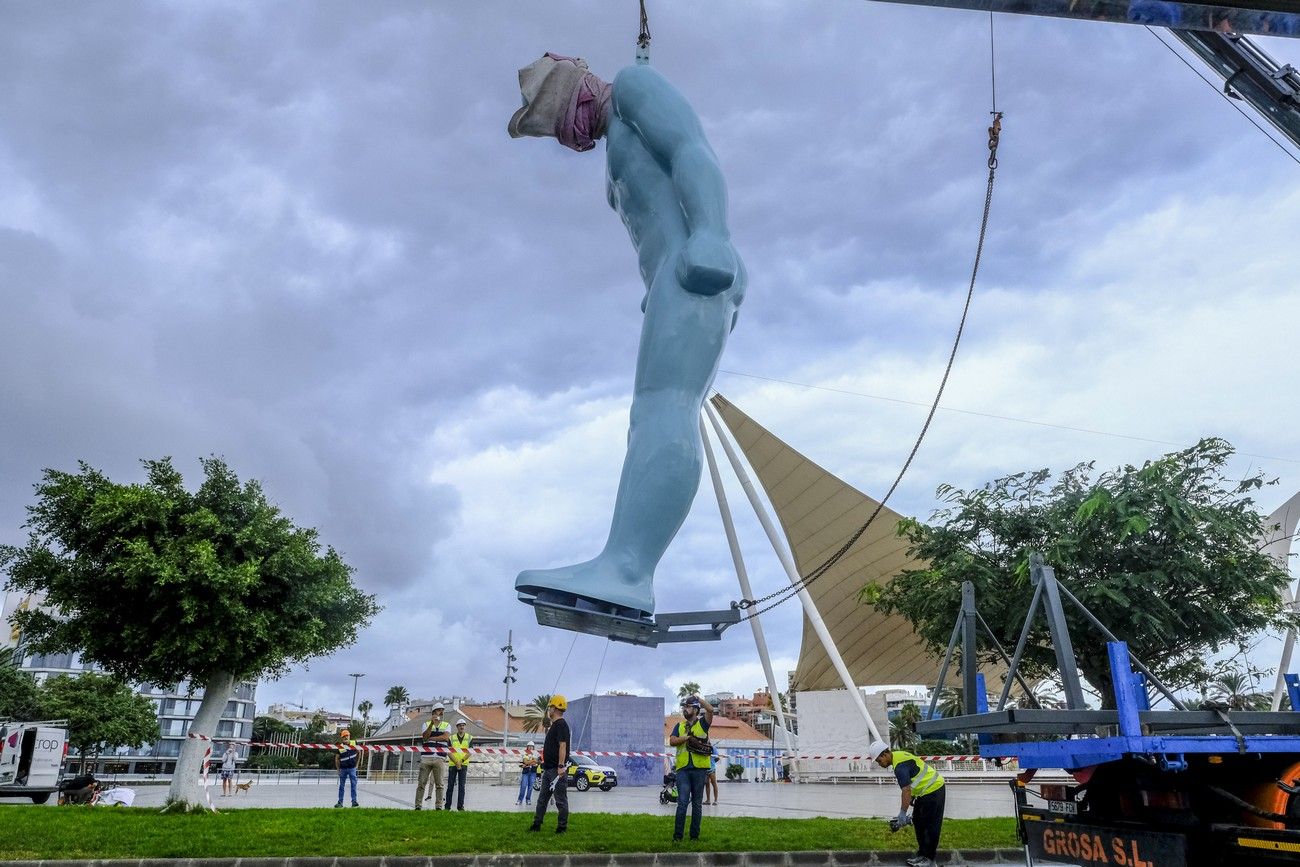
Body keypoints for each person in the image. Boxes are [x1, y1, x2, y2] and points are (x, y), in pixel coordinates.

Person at [511, 54, 747, 622]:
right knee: (651, 413)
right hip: (672, 278)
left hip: (695, 267)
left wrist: (712, 234)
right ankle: (621, 562)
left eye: (554, 117)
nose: (563, 136)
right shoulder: (616, 131)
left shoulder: (637, 86)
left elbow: (693, 150)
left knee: (667, 407)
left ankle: (628, 570)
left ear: (576, 92)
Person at [871, 739, 947, 867]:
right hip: (924, 791)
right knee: (918, 822)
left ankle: (929, 859)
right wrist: (912, 797)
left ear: (885, 754)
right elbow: (915, 776)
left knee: (930, 825)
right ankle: (922, 855)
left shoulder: (900, 766)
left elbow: (906, 789)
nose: (879, 764)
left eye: (879, 760)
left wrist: (902, 813)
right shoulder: (898, 756)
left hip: (934, 789)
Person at [667, 694, 714, 841]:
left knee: (697, 804)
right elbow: (672, 741)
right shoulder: (679, 726)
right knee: (682, 803)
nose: (684, 709)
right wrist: (686, 738)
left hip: (699, 770)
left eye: (687, 707)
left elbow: (711, 709)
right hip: (683, 770)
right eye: (683, 707)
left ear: (695, 709)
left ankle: (694, 837)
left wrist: (697, 699)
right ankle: (677, 837)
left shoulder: (703, 724)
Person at [528, 694, 570, 834]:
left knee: (560, 801)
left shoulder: (561, 725)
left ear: (555, 708)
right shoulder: (554, 726)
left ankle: (562, 828)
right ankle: (536, 824)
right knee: (542, 799)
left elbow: (562, 746)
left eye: (550, 707)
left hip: (556, 771)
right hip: (548, 769)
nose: (549, 710)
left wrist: (560, 766)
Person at [414, 704, 451, 809]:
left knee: (440, 784)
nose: (441, 712)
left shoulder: (447, 725)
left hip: (440, 758)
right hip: (426, 757)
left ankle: (439, 806)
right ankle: (418, 805)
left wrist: (430, 738)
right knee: (422, 783)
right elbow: (425, 737)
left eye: (442, 710)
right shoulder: (426, 724)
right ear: (433, 712)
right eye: (439, 710)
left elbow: (445, 738)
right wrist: (431, 724)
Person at [445, 719, 472, 811]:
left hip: (463, 764)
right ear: (457, 727)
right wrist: (456, 762)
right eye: (460, 725)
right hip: (453, 764)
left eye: (463, 725)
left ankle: (460, 806)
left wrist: (461, 761)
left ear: (465, 726)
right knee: (450, 786)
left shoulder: (469, 737)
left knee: (462, 787)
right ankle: (447, 806)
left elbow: (470, 752)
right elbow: (448, 752)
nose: (462, 727)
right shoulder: (451, 738)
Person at [335, 729, 359, 808]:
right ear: (342, 738)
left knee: (353, 785)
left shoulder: (354, 743)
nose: (345, 738)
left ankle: (354, 801)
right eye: (344, 736)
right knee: (341, 786)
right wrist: (338, 769)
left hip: (352, 768)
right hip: (343, 769)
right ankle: (340, 802)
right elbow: (337, 758)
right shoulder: (340, 747)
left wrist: (357, 765)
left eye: (347, 736)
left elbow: (359, 752)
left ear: (349, 736)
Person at [518, 741, 539, 805]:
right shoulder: (525, 753)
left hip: (533, 772)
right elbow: (526, 761)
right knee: (523, 786)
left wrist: (529, 762)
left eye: (531, 746)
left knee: (530, 787)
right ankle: (520, 800)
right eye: (529, 746)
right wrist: (533, 761)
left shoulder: (536, 754)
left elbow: (536, 762)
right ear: (527, 747)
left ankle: (528, 799)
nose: (530, 748)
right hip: (525, 772)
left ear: (533, 747)